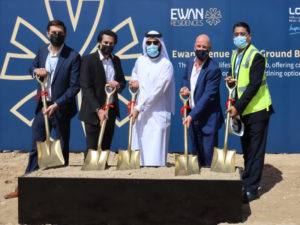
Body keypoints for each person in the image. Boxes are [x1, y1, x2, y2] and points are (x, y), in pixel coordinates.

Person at [4, 20, 81, 199]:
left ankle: (59, 190)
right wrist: (36, 71)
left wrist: (58, 104)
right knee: (35, 146)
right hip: (42, 107)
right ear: (47, 33)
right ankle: (26, 186)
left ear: (65, 35)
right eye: (53, 32)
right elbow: (31, 67)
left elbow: (74, 87)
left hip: (60, 108)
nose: (57, 35)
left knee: (61, 149)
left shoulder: (73, 56)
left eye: (60, 32)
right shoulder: (41, 50)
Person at [225, 22, 274, 203]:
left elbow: (253, 86)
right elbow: (234, 75)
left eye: (243, 34)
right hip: (243, 110)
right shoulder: (235, 55)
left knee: (255, 151)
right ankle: (246, 181)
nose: (239, 37)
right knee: (246, 149)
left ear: (249, 36)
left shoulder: (256, 56)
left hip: (258, 109)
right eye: (236, 34)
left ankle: (251, 189)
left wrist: (237, 107)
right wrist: (229, 77)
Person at [129, 30, 175, 166]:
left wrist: (139, 107)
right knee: (140, 156)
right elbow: (135, 75)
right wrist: (135, 82)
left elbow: (158, 91)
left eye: (155, 42)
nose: (152, 45)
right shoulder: (140, 61)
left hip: (158, 113)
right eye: (149, 43)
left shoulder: (166, 65)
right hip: (141, 114)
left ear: (161, 45)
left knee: (156, 157)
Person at [79, 30, 126, 156]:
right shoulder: (88, 60)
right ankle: (90, 174)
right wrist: (98, 110)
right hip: (93, 111)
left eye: (111, 44)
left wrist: (118, 85)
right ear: (99, 42)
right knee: (92, 148)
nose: (108, 45)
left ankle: (103, 170)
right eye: (105, 42)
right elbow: (86, 87)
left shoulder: (116, 60)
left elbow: (122, 82)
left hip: (110, 110)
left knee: (105, 147)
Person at [180, 34, 223, 168]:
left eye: (204, 47)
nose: (201, 49)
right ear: (194, 47)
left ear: (209, 49)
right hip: (193, 117)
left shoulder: (213, 69)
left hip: (208, 119)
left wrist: (191, 116)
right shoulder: (189, 63)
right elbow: (185, 79)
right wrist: (185, 88)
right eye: (199, 46)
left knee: (209, 160)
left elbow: (208, 96)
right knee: (196, 156)